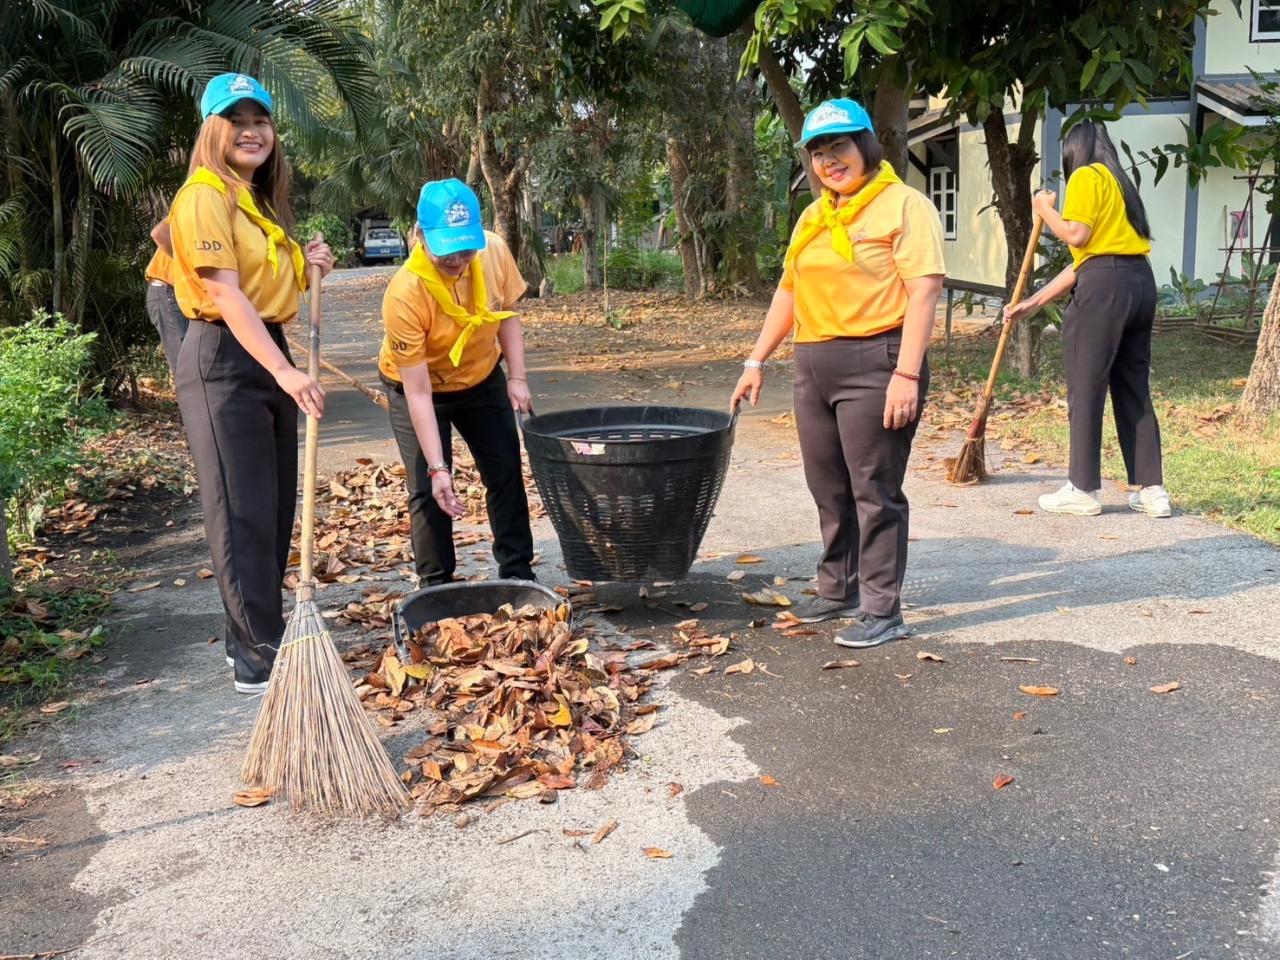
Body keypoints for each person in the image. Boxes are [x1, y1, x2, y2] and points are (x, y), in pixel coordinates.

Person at [729, 98, 945, 649]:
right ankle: (838, 588)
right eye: (819, 152)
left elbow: (924, 291)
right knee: (827, 483)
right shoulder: (814, 215)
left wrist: (907, 374)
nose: (829, 161)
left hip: (877, 359)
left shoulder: (903, 206)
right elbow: (789, 290)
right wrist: (757, 360)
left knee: (874, 487)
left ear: (867, 145)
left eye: (840, 147)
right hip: (814, 363)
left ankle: (882, 610)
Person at [168, 73, 335, 694]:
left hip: (266, 350)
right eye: (235, 120)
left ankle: (250, 635)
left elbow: (273, 296)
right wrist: (285, 372)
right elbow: (222, 293)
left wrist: (309, 264)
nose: (251, 131)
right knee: (241, 516)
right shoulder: (203, 195)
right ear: (213, 130)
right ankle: (258, 657)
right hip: (224, 359)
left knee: (273, 509)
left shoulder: (255, 202)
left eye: (260, 120)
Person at [1003, 120, 1169, 518]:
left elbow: (1076, 237)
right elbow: (1089, 259)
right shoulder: (1120, 183)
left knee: (1086, 384)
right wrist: (1034, 301)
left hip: (1104, 290)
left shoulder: (1084, 176)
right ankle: (1153, 491)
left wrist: (1044, 209)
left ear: (1072, 151)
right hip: (1139, 282)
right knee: (1133, 387)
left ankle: (1082, 488)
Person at [378, 178, 535, 587]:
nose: (458, 259)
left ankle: (517, 572)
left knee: (505, 470)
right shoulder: (404, 294)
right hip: (419, 384)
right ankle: (437, 585)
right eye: (446, 249)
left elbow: (509, 315)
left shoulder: (493, 251)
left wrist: (516, 378)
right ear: (419, 234)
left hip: (482, 376)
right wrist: (437, 466)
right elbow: (418, 392)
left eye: (466, 248)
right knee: (429, 488)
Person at [143, 219, 189, 378]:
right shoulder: (201, 199)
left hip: (186, 296)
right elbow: (159, 233)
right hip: (168, 290)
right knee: (186, 368)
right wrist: (189, 267)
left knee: (195, 365)